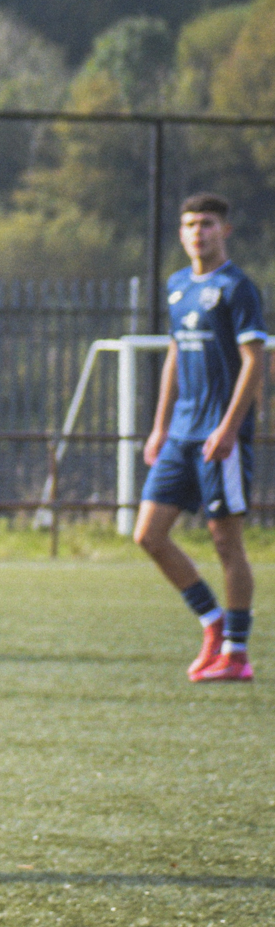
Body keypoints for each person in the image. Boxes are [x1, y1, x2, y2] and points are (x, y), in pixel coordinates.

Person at [137, 193, 266, 684]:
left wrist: (230, 427)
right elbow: (175, 354)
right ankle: (213, 622)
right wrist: (160, 424)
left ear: (224, 231)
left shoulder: (237, 289)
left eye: (207, 224)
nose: (198, 233)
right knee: (148, 534)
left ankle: (236, 652)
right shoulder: (176, 287)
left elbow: (255, 360)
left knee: (225, 542)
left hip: (219, 435)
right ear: (181, 232)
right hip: (181, 434)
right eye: (190, 224)